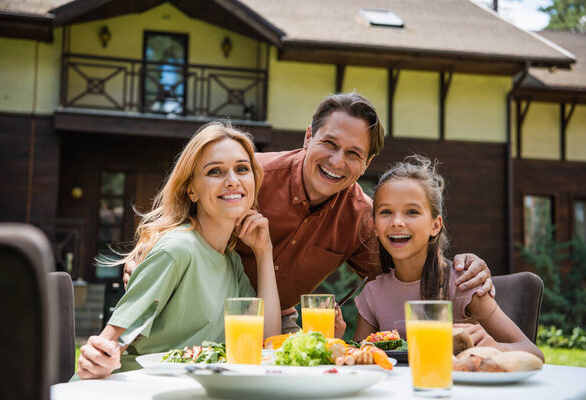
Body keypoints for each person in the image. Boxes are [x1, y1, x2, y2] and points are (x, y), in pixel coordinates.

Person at [125, 93, 494, 333]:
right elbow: (188, 202)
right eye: (329, 144)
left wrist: (467, 266)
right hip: (202, 314)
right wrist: (153, 241)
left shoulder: (364, 220)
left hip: (280, 322)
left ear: (366, 163)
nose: (337, 161)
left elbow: (410, 263)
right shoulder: (251, 176)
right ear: (307, 138)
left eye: (353, 154)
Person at [77, 122, 280, 379]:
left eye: (242, 169)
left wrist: (264, 251)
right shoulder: (177, 249)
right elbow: (107, 348)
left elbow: (267, 342)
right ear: (191, 190)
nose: (232, 181)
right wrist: (97, 358)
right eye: (215, 171)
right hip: (134, 389)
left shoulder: (231, 261)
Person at [336, 155, 543, 360]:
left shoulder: (462, 284)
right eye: (386, 211)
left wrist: (495, 346)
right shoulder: (374, 293)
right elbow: (360, 357)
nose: (397, 221)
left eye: (412, 212)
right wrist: (335, 341)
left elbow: (534, 352)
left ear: (435, 225)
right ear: (374, 226)